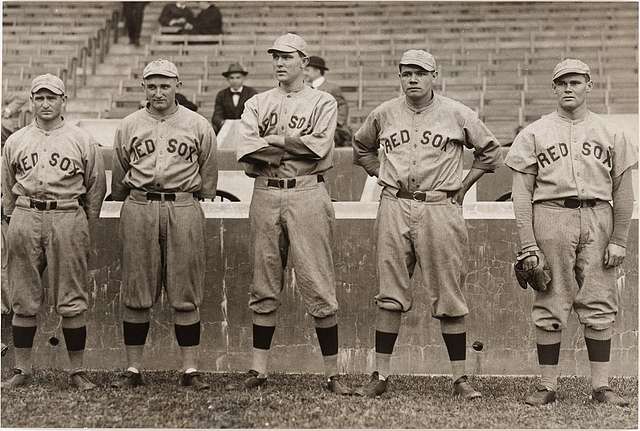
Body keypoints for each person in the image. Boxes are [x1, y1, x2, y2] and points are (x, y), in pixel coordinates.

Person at [352, 49, 502, 399]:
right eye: (407, 73)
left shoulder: (456, 113)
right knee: (389, 293)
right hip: (394, 204)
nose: (413, 79)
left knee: (449, 294)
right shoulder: (384, 113)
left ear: (434, 75)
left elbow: (491, 151)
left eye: (420, 73)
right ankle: (381, 375)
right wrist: (383, 175)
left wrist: (463, 187)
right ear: (400, 77)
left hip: (440, 206)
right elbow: (361, 148)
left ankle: (460, 378)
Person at [505, 59, 636, 407]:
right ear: (553, 88)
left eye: (575, 82)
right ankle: (547, 385)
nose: (568, 88)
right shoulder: (534, 133)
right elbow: (521, 195)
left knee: (599, 299)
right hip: (551, 216)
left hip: (598, 215)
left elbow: (623, 191)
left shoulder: (612, 133)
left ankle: (601, 386)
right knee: (550, 297)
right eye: (561, 82)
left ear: (589, 85)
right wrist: (528, 244)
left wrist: (620, 238)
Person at [236, 33, 350, 395]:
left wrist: (272, 142)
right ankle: (259, 370)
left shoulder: (323, 101)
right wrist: (287, 148)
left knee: (318, 281)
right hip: (266, 193)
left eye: (286, 57)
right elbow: (247, 150)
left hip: (307, 192)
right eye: (275, 57)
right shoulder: (256, 102)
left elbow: (318, 148)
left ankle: (333, 373)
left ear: (304, 61)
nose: (279, 63)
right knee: (263, 280)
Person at [110, 59, 217, 390]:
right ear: (144, 87)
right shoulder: (128, 125)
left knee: (185, 290)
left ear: (177, 86)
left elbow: (208, 179)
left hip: (183, 205)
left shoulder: (198, 125)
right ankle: (132, 369)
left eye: (165, 85)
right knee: (136, 290)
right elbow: (119, 177)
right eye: (152, 86)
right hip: (139, 204)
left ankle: (189, 370)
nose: (158, 92)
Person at [0, 74, 106, 390]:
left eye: (52, 97)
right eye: (40, 98)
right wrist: (13, 218)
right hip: (26, 213)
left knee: (72, 297)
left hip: (67, 214)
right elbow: (6, 188)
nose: (46, 104)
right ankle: (22, 369)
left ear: (63, 101)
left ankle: (76, 371)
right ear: (32, 101)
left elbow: (95, 186)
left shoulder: (80, 139)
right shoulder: (16, 140)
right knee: (22, 296)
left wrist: (83, 224)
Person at [304, 56, 352, 147]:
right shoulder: (306, 89)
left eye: (307, 70)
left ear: (317, 71)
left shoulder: (332, 88)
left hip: (331, 129)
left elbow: (342, 106)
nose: (304, 73)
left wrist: (337, 123)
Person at [211, 63, 257, 134]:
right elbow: (216, 116)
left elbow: (254, 114)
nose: (235, 81)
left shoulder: (251, 93)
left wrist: (244, 125)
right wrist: (224, 124)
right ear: (227, 79)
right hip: (226, 130)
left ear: (243, 78)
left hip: (246, 130)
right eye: (231, 78)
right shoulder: (221, 94)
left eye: (238, 77)